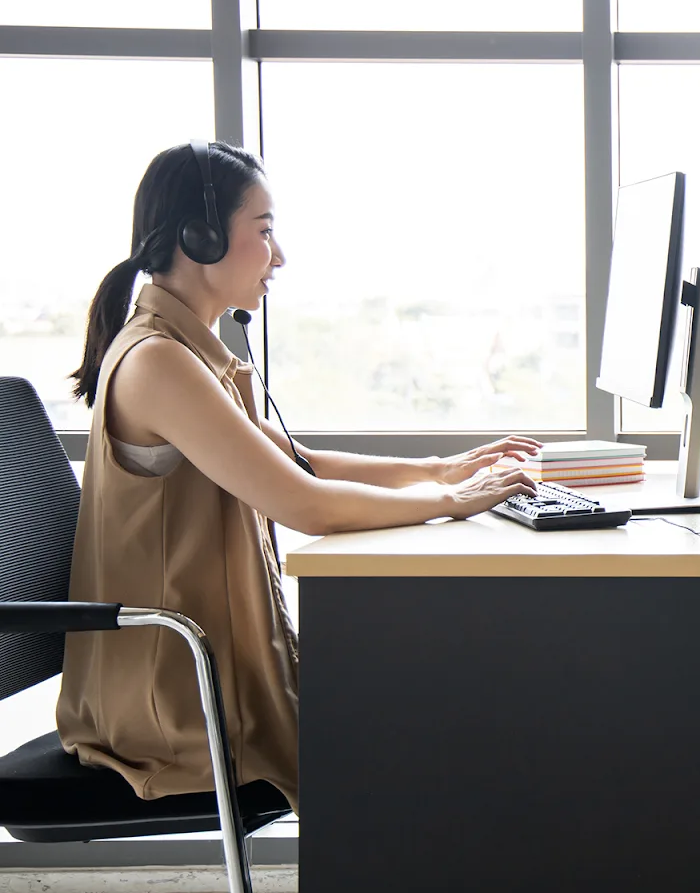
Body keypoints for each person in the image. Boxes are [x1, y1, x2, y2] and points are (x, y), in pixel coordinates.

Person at [59, 141, 545, 812]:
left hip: (197, 672)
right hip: (172, 702)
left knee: (438, 678)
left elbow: (296, 460)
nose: (278, 256)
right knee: (442, 698)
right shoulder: (157, 364)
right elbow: (303, 504)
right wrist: (450, 500)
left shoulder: (185, 355)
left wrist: (438, 470)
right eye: (263, 233)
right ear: (199, 239)